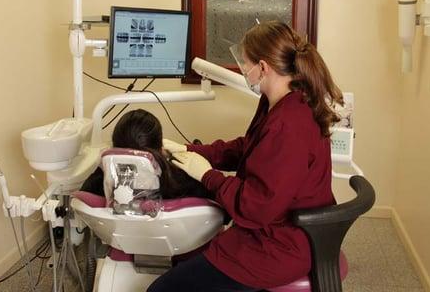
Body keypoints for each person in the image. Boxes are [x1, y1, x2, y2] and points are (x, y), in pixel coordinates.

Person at [147, 20, 343, 292]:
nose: (243, 69)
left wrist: (207, 175)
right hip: (277, 228)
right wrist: (189, 151)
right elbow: (247, 147)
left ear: (263, 67)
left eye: (246, 63)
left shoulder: (289, 124)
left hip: (280, 244)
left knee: (161, 290)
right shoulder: (285, 101)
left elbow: (255, 206)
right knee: (182, 259)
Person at [80, 109, 211, 200]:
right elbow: (223, 214)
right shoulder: (186, 181)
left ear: (115, 146)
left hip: (120, 239)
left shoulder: (100, 181)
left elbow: (83, 200)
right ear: (161, 146)